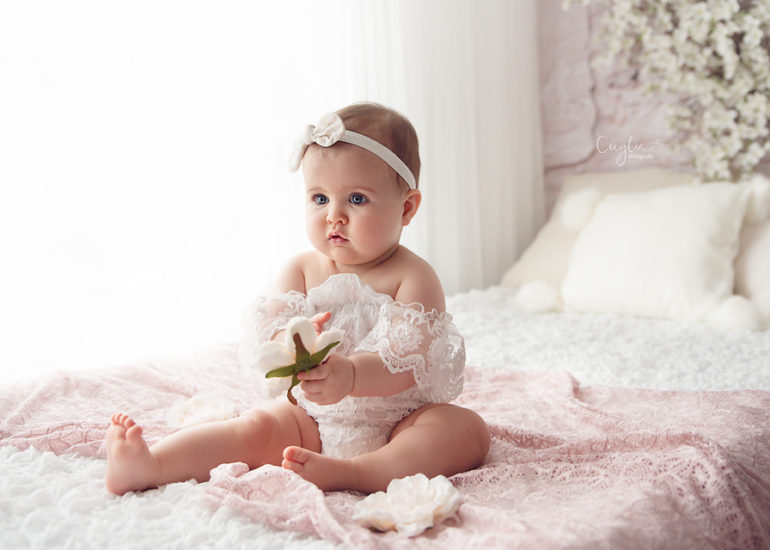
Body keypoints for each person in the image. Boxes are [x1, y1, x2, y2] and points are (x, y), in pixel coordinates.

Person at [105, 102, 490, 496]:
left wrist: (353, 375)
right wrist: (292, 343)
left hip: (398, 421)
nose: (333, 216)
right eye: (320, 198)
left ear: (407, 207)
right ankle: (151, 464)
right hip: (312, 419)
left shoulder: (414, 277)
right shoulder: (301, 271)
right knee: (254, 429)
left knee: (465, 432)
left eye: (356, 199)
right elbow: (268, 345)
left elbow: (408, 363)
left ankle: (358, 472)